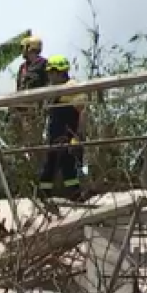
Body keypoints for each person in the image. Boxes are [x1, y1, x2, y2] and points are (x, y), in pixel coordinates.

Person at [39, 54, 86, 201]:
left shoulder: (72, 88)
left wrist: (77, 137)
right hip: (55, 136)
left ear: (59, 72)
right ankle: (43, 197)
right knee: (50, 166)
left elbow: (83, 113)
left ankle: (76, 196)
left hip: (68, 135)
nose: (49, 76)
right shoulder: (55, 90)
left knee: (68, 166)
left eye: (51, 73)